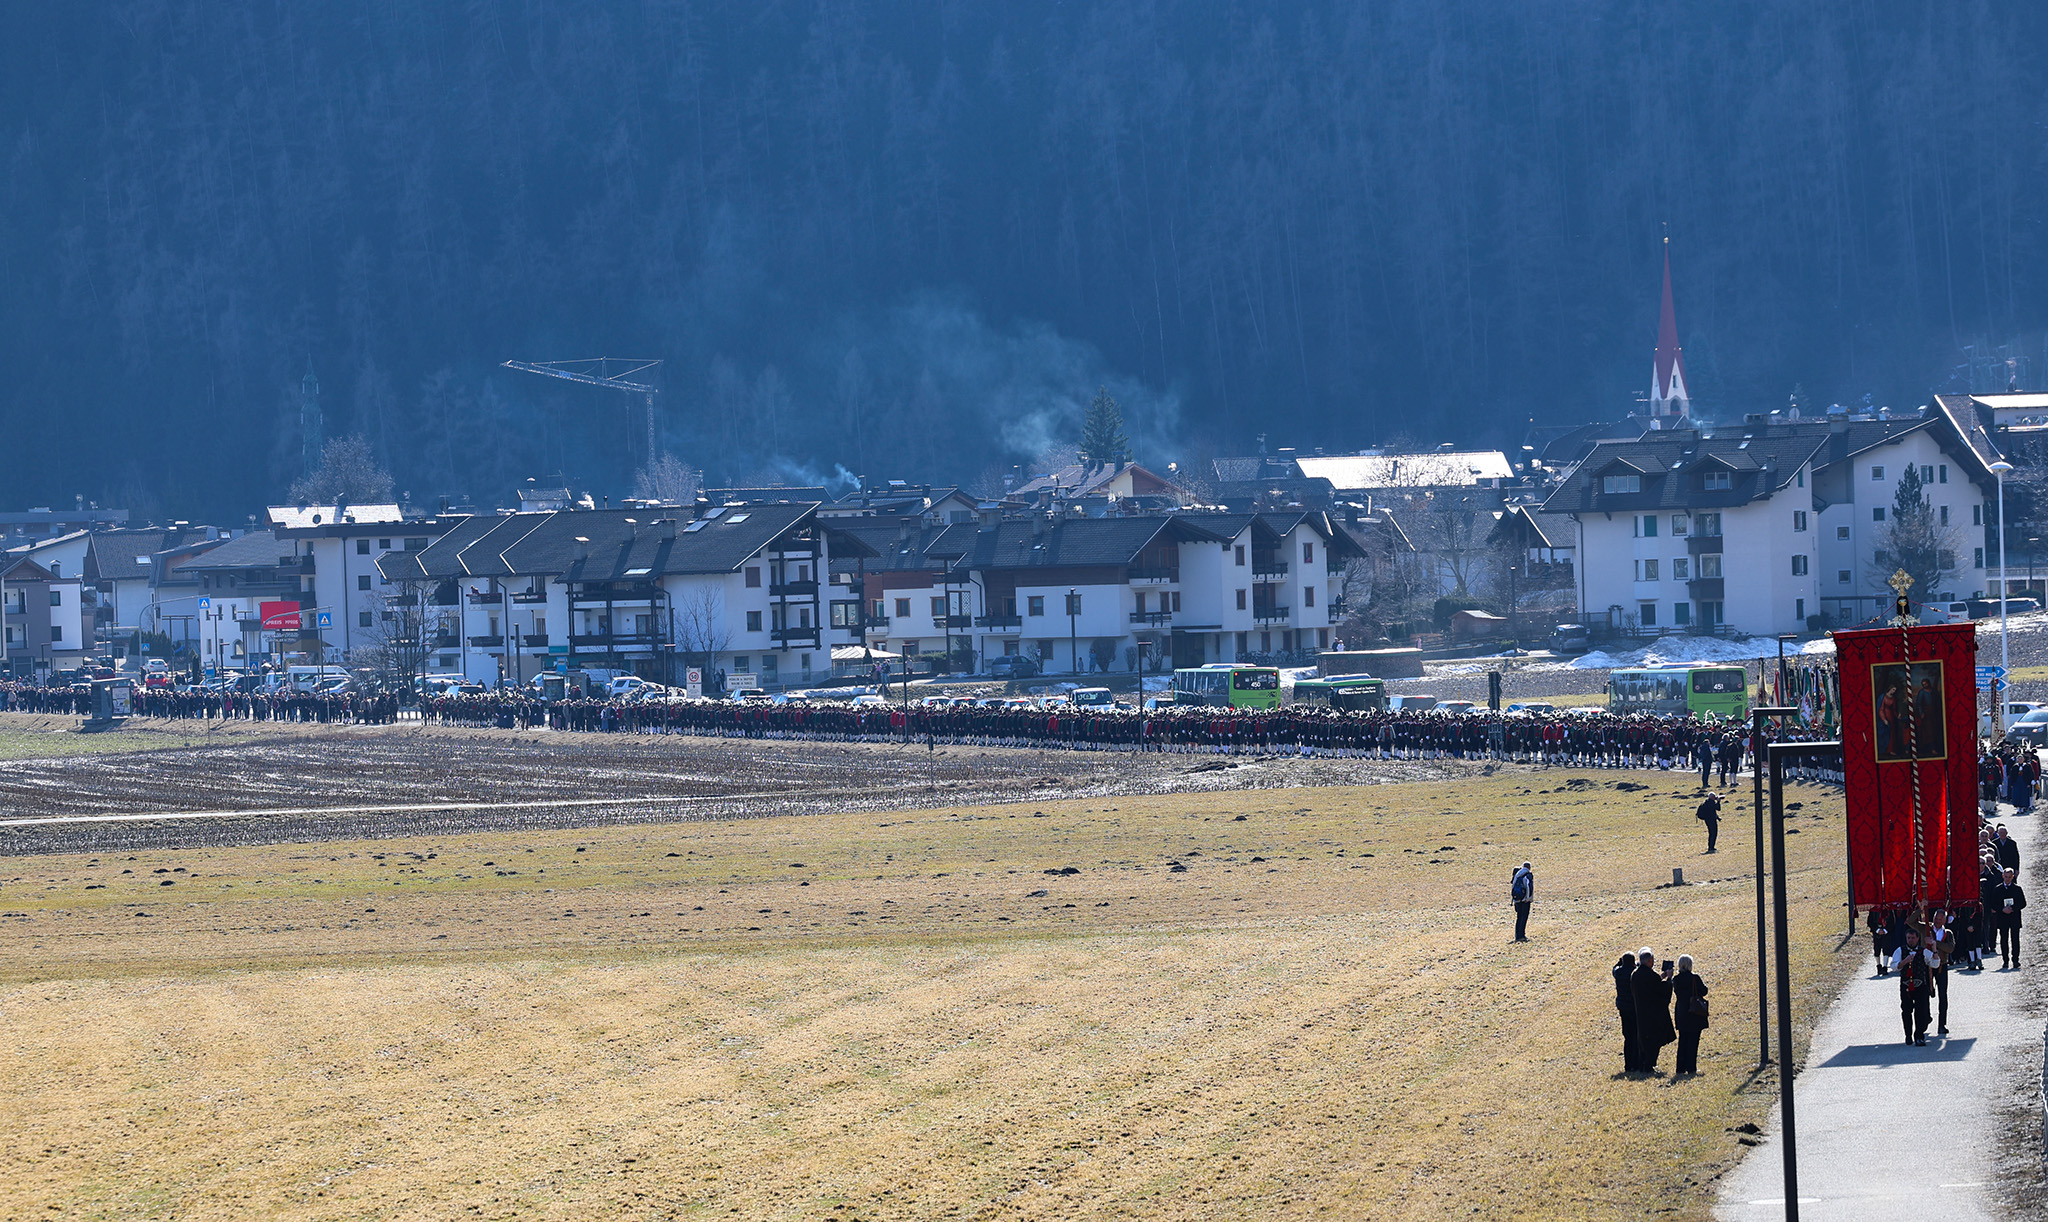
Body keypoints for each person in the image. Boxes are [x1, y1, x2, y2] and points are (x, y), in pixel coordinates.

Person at [1630, 948, 1676, 1075]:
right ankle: (1649, 1065)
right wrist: (1669, 979)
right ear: (1649, 960)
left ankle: (1643, 1064)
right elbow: (1661, 990)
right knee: (1653, 1039)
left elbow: (1651, 985)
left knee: (1643, 1039)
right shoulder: (1651, 975)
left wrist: (1661, 976)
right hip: (1654, 1014)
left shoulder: (1635, 974)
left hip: (1640, 1011)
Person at [1891, 926, 1936, 1045]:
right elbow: (1894, 967)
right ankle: (1908, 1035)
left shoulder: (1923, 951)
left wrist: (1934, 948)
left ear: (1917, 939)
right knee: (1906, 1010)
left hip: (1920, 985)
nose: (1910, 940)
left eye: (1913, 938)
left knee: (1920, 1011)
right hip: (1906, 986)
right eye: (1908, 938)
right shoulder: (1900, 951)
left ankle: (1919, 1036)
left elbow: (1935, 963)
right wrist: (1904, 961)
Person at [1671, 954, 1709, 1075]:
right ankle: (1691, 1067)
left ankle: (1680, 1068)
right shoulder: (1695, 978)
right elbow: (1704, 991)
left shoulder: (1676, 980)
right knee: (1693, 1041)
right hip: (1694, 1012)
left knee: (1683, 1040)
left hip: (1681, 1012)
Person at [1991, 867, 2027, 968]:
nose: (2007, 879)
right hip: (2002, 918)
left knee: (2015, 939)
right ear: (2003, 876)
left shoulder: (2017, 889)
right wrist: (2002, 909)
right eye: (2005, 877)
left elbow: (2023, 903)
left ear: (2012, 877)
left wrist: (2013, 908)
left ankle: (2015, 959)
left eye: (2009, 877)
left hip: (2014, 917)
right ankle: (2005, 960)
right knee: (2004, 939)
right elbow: (1993, 904)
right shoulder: (1998, 889)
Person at [1927, 909, 1955, 1035]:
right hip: (1927, 967)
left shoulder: (1948, 933)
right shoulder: (1926, 929)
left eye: (1940, 919)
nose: (1937, 921)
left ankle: (1942, 1024)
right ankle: (1925, 1018)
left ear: (1944, 920)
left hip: (1942, 967)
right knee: (1924, 994)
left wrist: (1935, 943)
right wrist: (1921, 908)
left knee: (1943, 996)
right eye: (1936, 919)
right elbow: (1911, 922)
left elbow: (1950, 948)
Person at [1613, 952, 1640, 1072]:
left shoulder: (1618, 972)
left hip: (1623, 1007)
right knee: (1636, 1035)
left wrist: (1619, 962)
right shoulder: (1635, 973)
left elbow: (1614, 969)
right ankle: (1636, 1063)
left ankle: (1628, 1065)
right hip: (1634, 1007)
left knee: (1627, 1037)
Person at [1510, 861, 1534, 942]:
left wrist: (1514, 899)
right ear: (1529, 867)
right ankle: (1522, 936)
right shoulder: (1527, 875)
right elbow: (1528, 887)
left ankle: (1517, 935)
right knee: (1524, 918)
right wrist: (1527, 898)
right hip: (1524, 901)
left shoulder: (1517, 874)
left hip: (1517, 899)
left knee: (1519, 918)